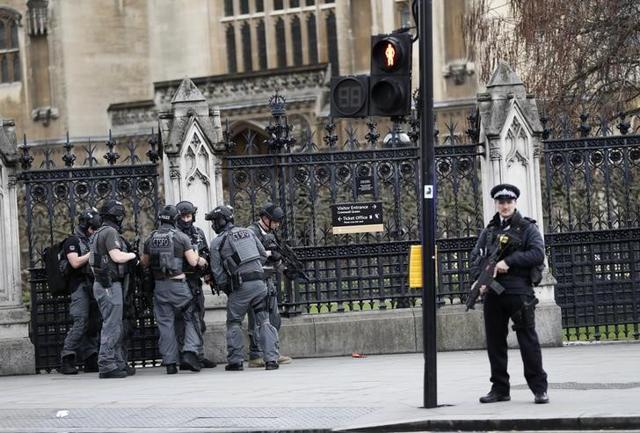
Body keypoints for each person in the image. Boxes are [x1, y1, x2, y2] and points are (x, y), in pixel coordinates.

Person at [470, 183, 549, 404]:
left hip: (519, 291)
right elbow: (475, 257)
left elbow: (537, 254)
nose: (505, 206)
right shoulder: (489, 231)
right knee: (495, 343)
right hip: (493, 294)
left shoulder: (527, 228)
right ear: (496, 204)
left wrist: (508, 261)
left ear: (515, 203)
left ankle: (539, 389)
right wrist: (480, 279)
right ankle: (500, 389)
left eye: (508, 202)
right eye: (501, 202)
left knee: (528, 340)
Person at [206, 205, 280, 371]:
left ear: (221, 221)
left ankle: (236, 361)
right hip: (260, 284)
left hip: (241, 287)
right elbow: (262, 255)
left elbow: (218, 273)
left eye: (214, 221)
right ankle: (272, 360)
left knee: (234, 322)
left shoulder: (217, 242)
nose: (213, 225)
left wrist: (228, 288)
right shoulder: (249, 232)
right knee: (264, 320)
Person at [141, 204, 205, 374]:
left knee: (165, 324)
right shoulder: (181, 237)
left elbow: (144, 263)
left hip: (159, 287)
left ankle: (170, 362)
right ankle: (190, 352)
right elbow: (192, 261)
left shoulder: (150, 238)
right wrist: (201, 259)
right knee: (192, 316)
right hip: (179, 286)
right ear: (176, 219)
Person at [89, 200, 138, 379]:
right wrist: (133, 255)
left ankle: (116, 362)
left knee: (113, 323)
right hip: (109, 284)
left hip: (103, 284)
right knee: (112, 325)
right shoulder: (109, 232)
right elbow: (116, 256)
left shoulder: (98, 233)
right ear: (117, 216)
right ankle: (107, 363)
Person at [246, 203, 292, 368]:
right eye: (275, 221)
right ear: (266, 218)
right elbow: (250, 254)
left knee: (274, 318)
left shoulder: (270, 234)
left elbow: (276, 257)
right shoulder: (251, 232)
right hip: (256, 281)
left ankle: (271, 352)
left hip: (269, 280)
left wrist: (285, 268)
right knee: (257, 319)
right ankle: (256, 354)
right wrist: (269, 254)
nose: (277, 224)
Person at [59, 208, 102, 375]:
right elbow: (75, 262)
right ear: (85, 226)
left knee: (94, 323)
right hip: (79, 287)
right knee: (81, 321)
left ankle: (91, 357)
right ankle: (67, 357)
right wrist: (93, 253)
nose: (94, 232)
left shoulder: (93, 240)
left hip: (93, 285)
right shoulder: (72, 241)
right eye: (92, 228)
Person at [175, 200, 216, 369]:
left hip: (195, 280)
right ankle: (183, 355)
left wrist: (208, 275)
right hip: (179, 280)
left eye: (189, 216)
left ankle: (198, 354)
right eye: (183, 216)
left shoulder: (198, 233)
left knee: (198, 317)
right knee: (182, 320)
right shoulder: (175, 234)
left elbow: (206, 253)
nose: (186, 220)